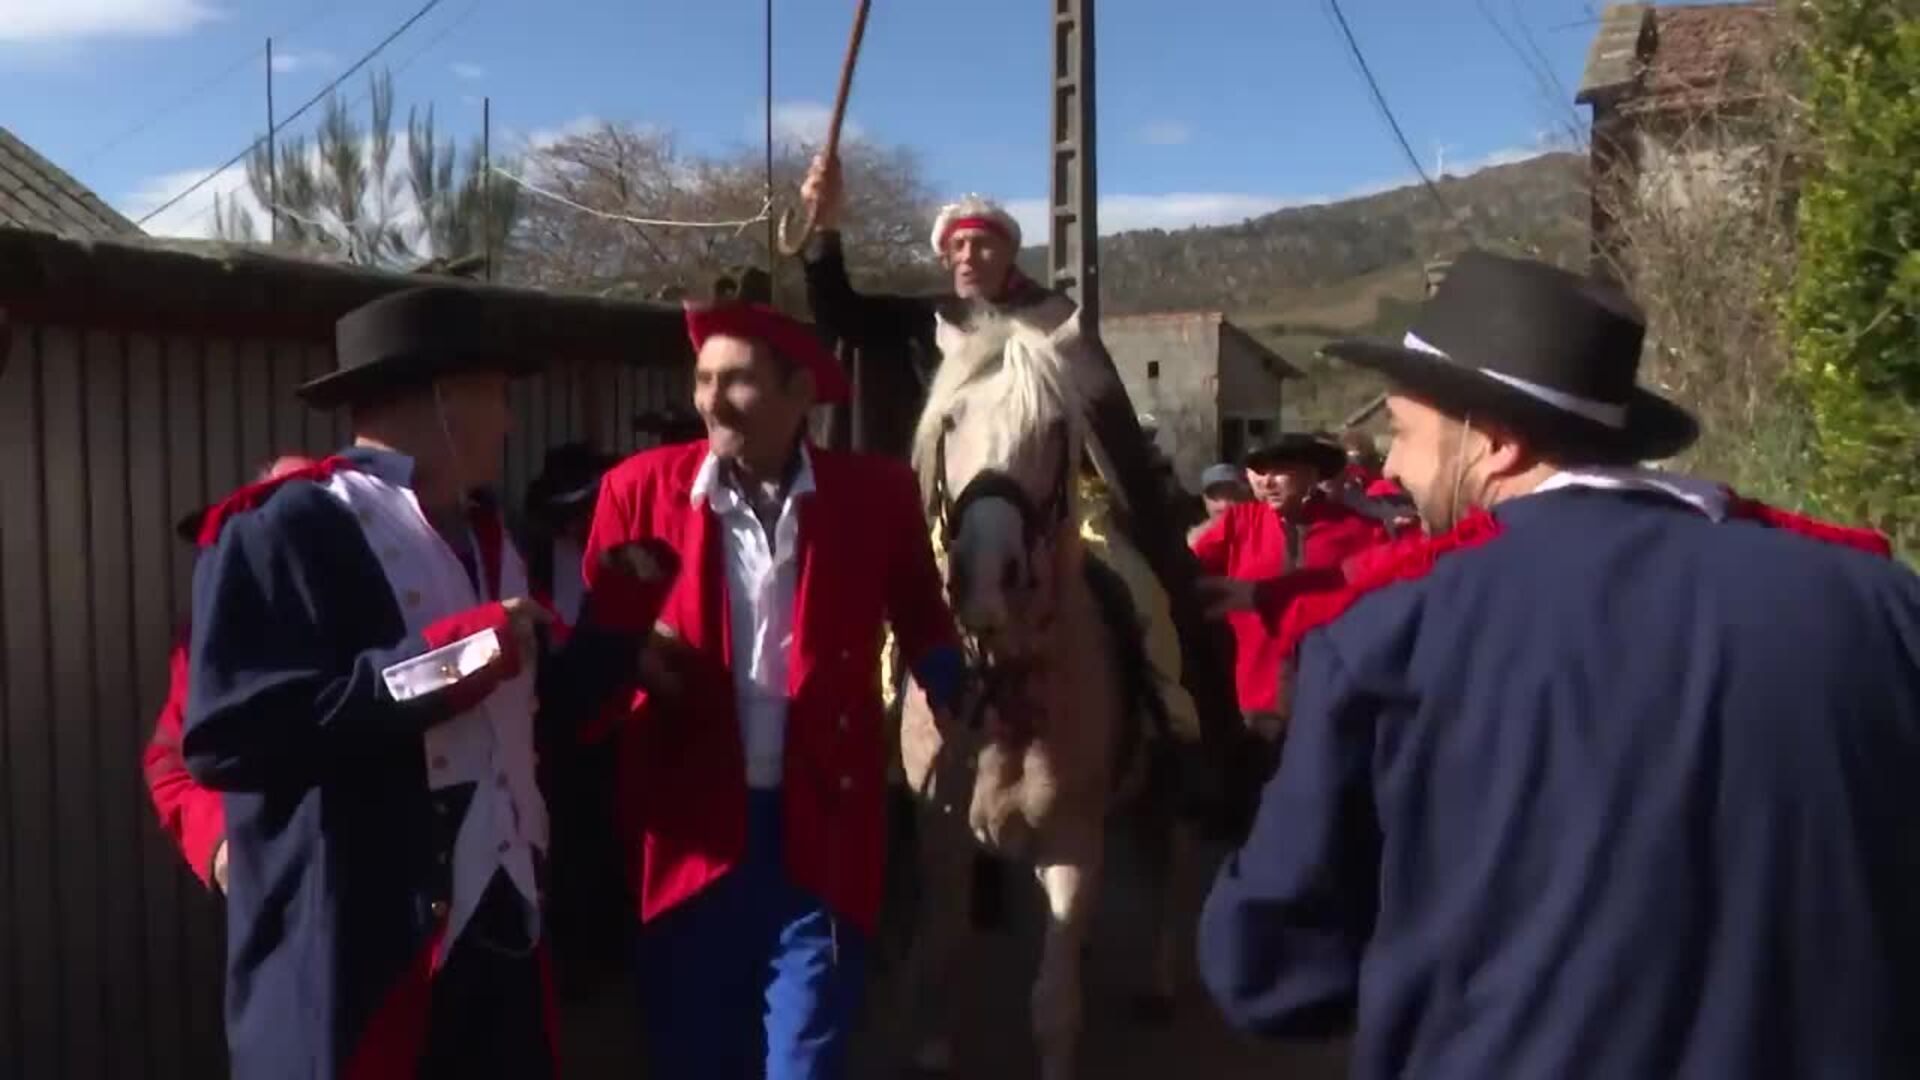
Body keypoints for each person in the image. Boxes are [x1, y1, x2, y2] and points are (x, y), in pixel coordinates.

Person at [1197, 250, 1918, 1079]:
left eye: (1402, 431)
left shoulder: (1395, 635)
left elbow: (1272, 974)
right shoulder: (1882, 602)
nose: (1389, 467)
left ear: (1497, 443)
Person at [183, 286, 672, 1079]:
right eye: (498, 396)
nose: (510, 424)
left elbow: (537, 723)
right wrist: (461, 658)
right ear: (446, 395)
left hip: (502, 939)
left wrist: (618, 617)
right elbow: (232, 736)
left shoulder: (490, 538)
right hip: (364, 959)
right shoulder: (284, 527)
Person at [584, 301, 966, 1080]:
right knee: (696, 1054)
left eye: (738, 380)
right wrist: (630, 657)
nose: (711, 399)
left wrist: (961, 693)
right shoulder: (636, 491)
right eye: (702, 379)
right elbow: (593, 648)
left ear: (801, 395)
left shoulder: (878, 494)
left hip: (822, 829)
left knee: (805, 1058)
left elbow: (925, 620)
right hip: (690, 829)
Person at [796, 153, 1232, 776]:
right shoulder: (929, 324)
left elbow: (1106, 425)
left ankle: (1165, 718)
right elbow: (840, 311)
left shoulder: (1055, 324)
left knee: (1138, 586)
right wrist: (826, 228)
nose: (969, 256)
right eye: (958, 247)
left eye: (982, 245)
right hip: (946, 506)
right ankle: (885, 752)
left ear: (1008, 253)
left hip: (1060, 503)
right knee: (881, 618)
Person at [144, 454, 317, 895]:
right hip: (280, 899)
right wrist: (223, 846)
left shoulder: (400, 614)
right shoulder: (207, 638)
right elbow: (172, 760)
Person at [1188, 434, 1387, 736]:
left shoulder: (1360, 530)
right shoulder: (1240, 522)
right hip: (1253, 700)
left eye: (1280, 471)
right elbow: (1190, 576)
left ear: (1312, 473)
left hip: (1331, 701)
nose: (1268, 482)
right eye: (1262, 471)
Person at [1189, 462, 1251, 544]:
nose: (1224, 504)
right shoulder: (1196, 540)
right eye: (1215, 496)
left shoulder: (1260, 533)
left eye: (1231, 494)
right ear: (1204, 499)